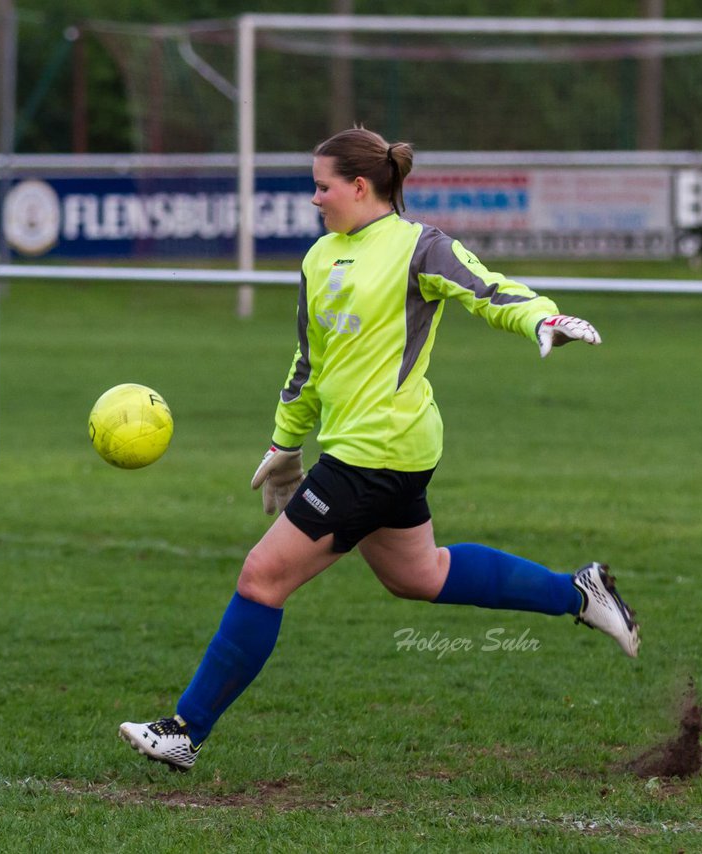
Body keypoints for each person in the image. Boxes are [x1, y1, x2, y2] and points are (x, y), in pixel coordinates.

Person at [118, 126, 639, 773]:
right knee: (419, 575)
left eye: (322, 186)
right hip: (365, 450)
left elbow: (488, 288)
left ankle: (185, 730)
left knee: (261, 577)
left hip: (380, 450)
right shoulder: (318, 259)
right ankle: (579, 593)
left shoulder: (418, 246)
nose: (314, 198)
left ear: (359, 186)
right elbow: (309, 363)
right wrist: (285, 444)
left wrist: (543, 318)